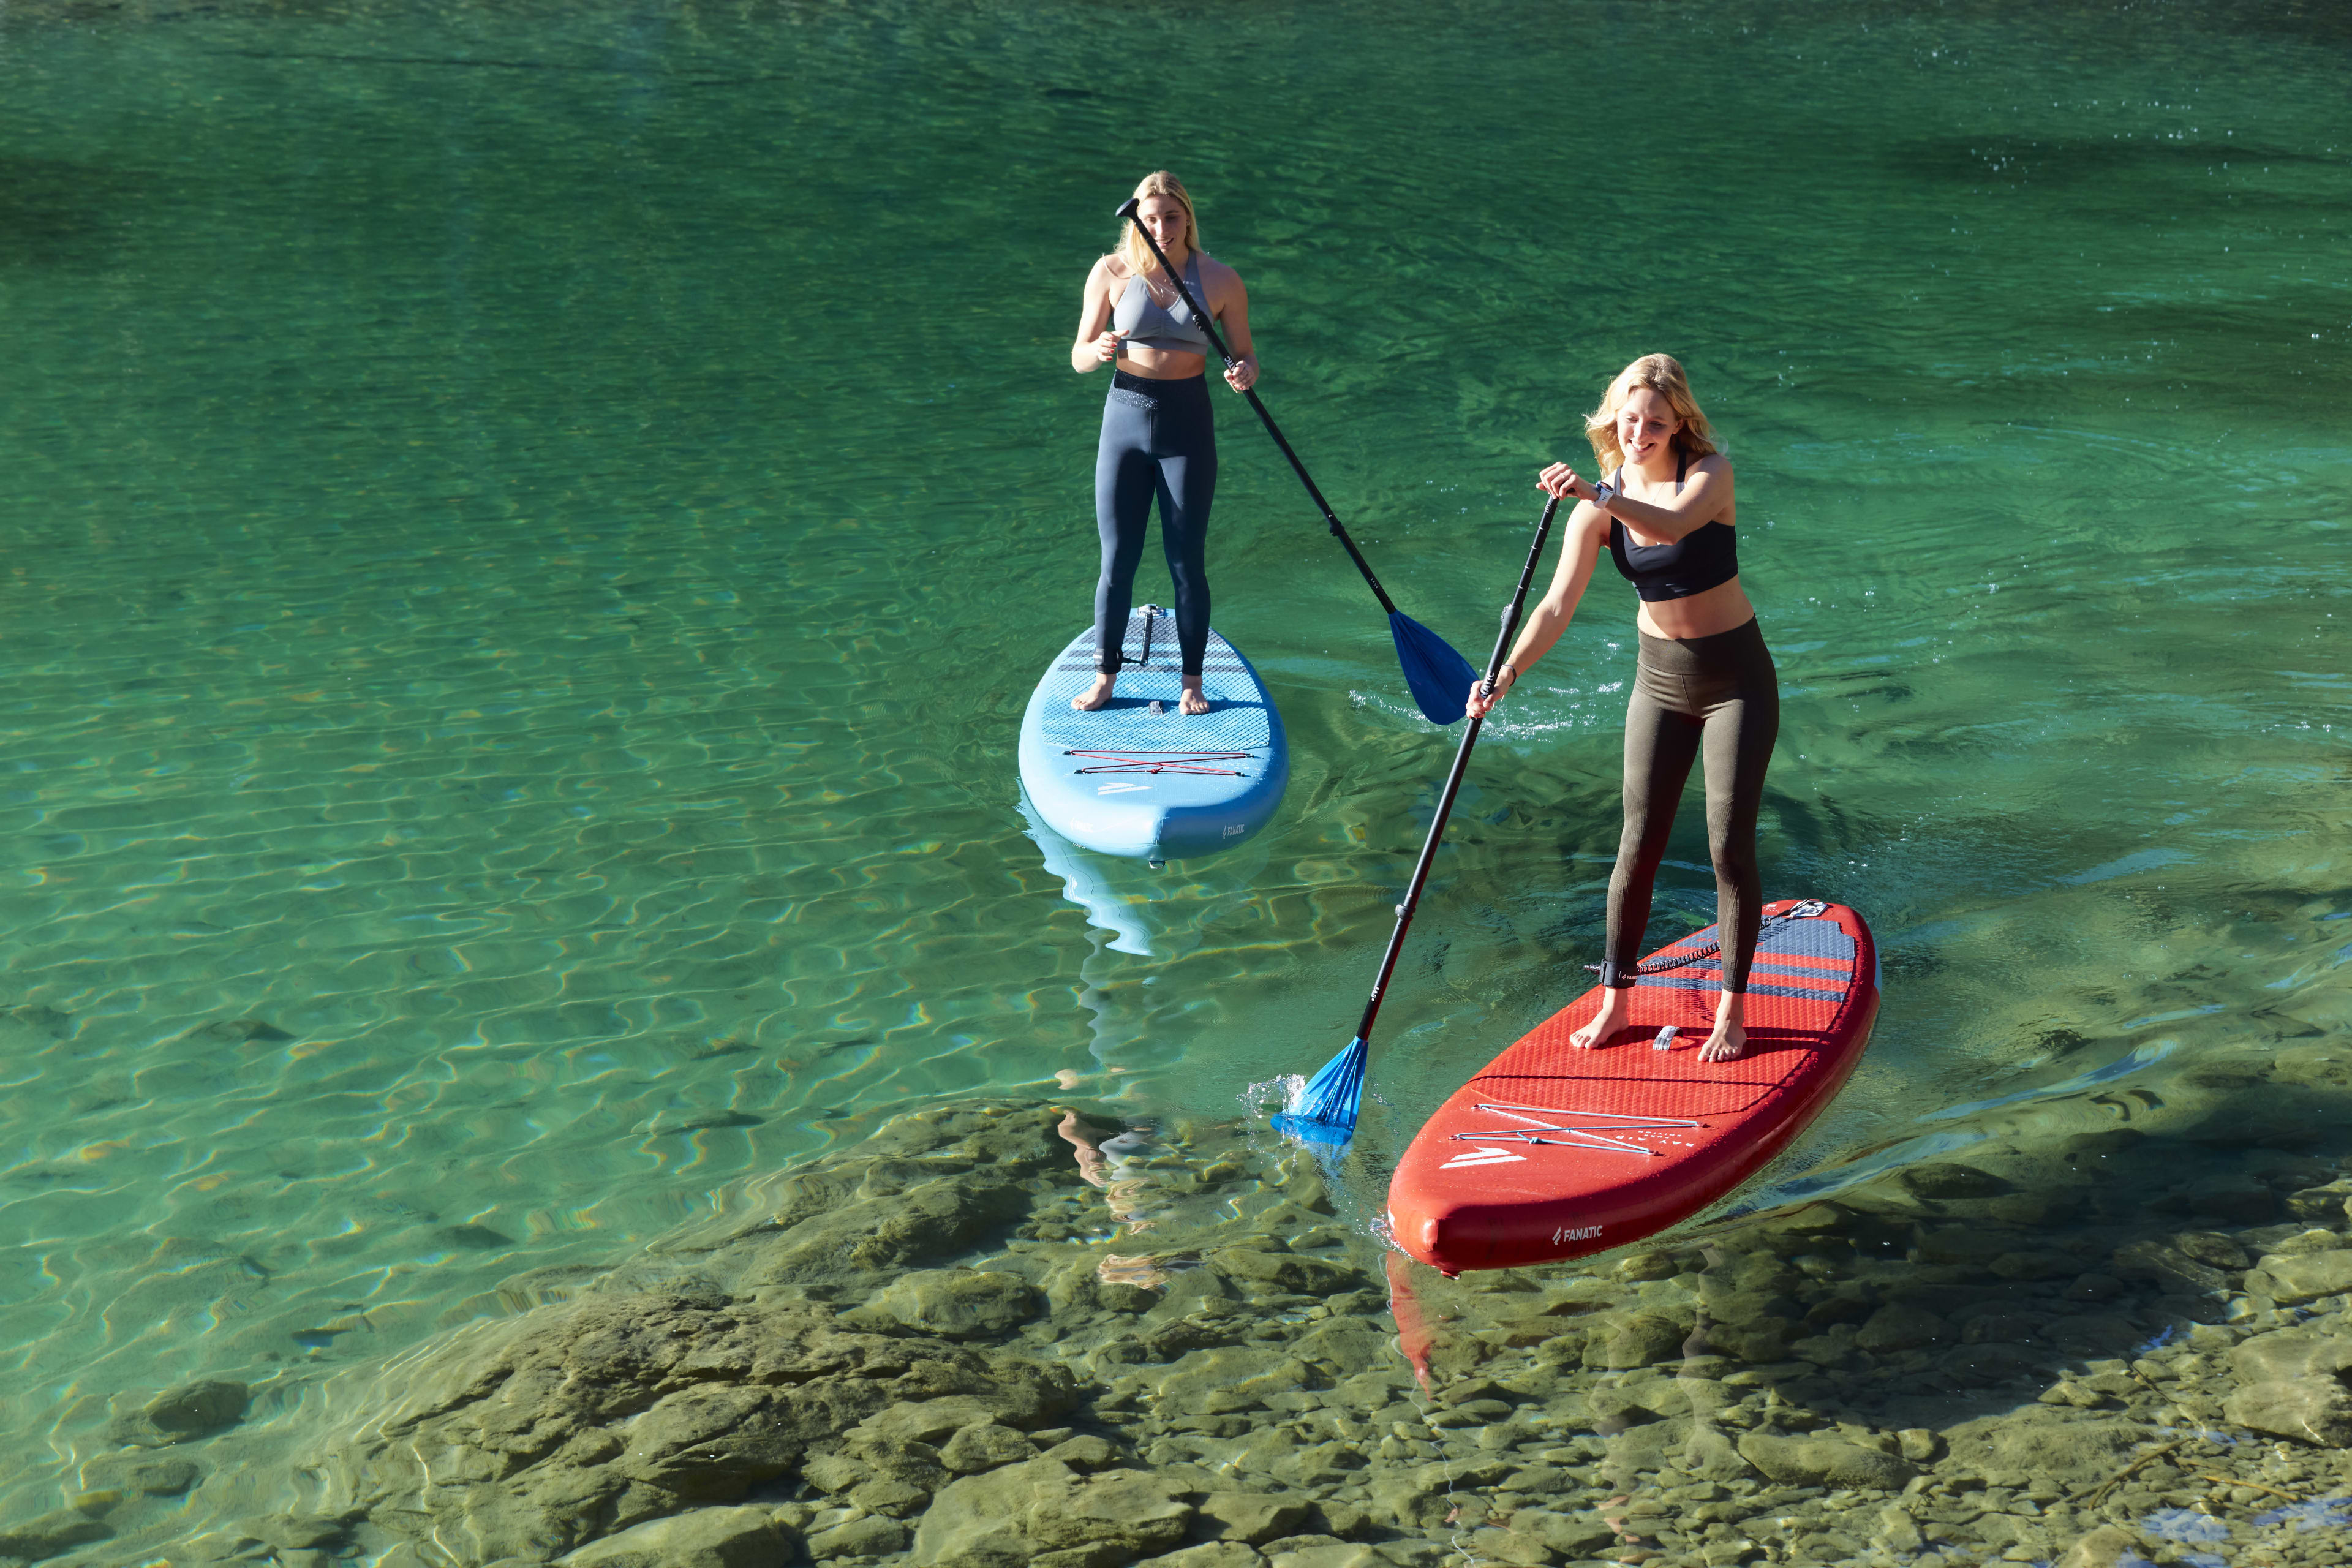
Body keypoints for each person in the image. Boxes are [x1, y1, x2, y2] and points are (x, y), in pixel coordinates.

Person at [1466, 355, 1777, 1063]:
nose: (1640, 432)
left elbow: (1668, 527)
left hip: (1736, 680)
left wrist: (1599, 496)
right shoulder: (1596, 507)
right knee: (1636, 845)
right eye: (1630, 418)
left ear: (1680, 425)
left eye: (1657, 423)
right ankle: (1616, 1000)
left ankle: (1732, 1008)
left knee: (1728, 846)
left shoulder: (1709, 475)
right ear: (1614, 418)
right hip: (1659, 681)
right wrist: (1506, 672)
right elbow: (1555, 605)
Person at [1068, 172, 1258, 715]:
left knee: (1185, 560)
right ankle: (1106, 675)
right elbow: (1078, 355)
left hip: (1187, 425)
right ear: (1136, 219)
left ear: (1188, 218)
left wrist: (1244, 372)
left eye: (1171, 217)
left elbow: (1246, 355)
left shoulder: (1220, 280)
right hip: (1123, 420)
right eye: (1150, 218)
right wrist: (1099, 348)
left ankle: (1191, 682)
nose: (1161, 227)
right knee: (1117, 560)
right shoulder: (1109, 273)